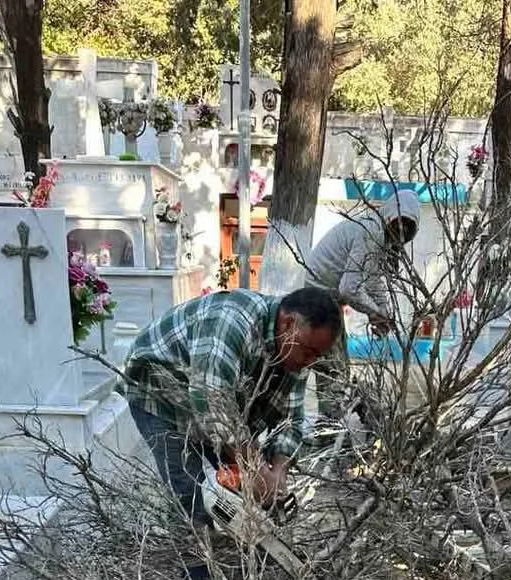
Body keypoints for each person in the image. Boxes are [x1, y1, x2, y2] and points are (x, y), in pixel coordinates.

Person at [122, 286, 342, 519]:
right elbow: (211, 403)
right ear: (288, 323)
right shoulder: (232, 322)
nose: (309, 361)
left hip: (215, 403)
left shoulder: (297, 351)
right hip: (160, 390)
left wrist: (278, 473)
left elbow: (291, 421)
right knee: (192, 494)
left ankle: (237, 534)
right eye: (308, 351)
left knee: (239, 494)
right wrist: (254, 467)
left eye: (317, 356)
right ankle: (193, 537)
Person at [303, 189, 421, 420]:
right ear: (390, 215)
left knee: (337, 372)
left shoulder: (377, 234)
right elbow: (349, 289)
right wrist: (376, 314)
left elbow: (373, 281)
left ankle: (339, 418)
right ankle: (330, 430)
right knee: (335, 375)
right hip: (318, 303)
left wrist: (384, 312)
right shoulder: (370, 233)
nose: (401, 232)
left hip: (324, 302)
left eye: (407, 228)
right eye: (399, 223)